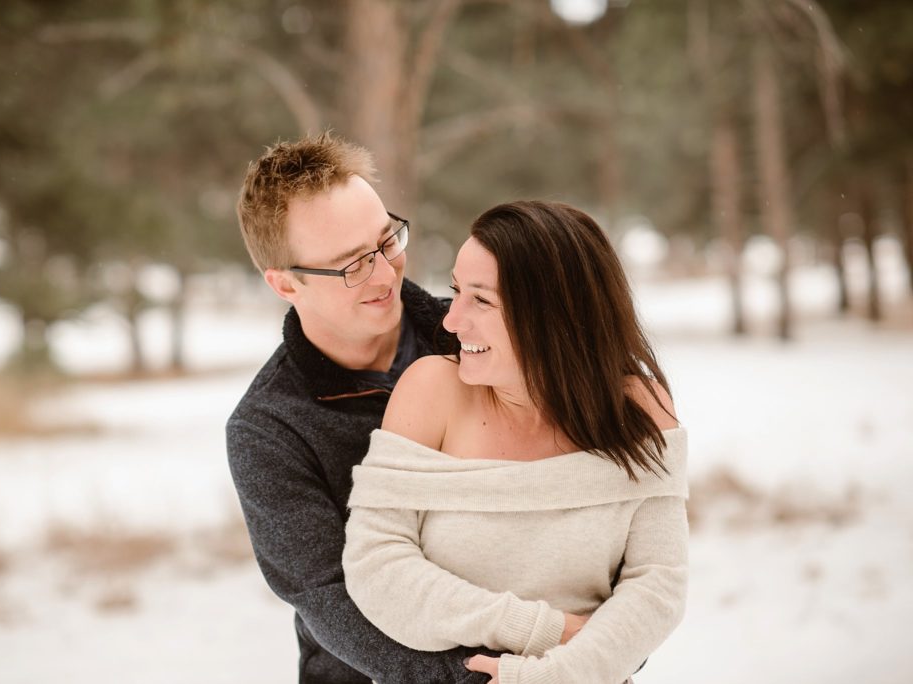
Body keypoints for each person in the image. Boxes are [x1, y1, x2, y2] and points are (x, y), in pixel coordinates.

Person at [343, 200, 689, 684]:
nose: (451, 321)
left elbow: (658, 584)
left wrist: (561, 674)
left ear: (556, 315)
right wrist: (541, 630)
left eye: (481, 300)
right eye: (456, 291)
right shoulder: (431, 392)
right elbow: (376, 567)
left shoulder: (640, 409)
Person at [226, 132, 495, 683]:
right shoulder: (268, 428)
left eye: (387, 241)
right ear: (283, 283)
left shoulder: (485, 336)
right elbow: (326, 596)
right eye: (350, 265)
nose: (383, 273)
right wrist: (476, 679)